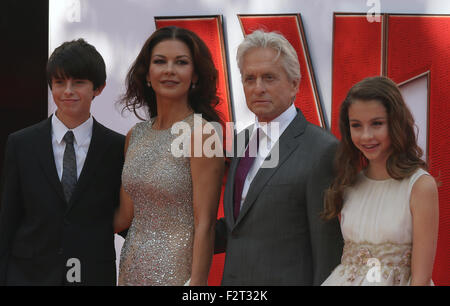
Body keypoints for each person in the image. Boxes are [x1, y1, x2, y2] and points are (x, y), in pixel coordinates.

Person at [214, 30, 343, 285]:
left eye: (269, 77)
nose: (258, 87)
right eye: (249, 79)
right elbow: (239, 226)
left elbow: (327, 250)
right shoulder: (241, 141)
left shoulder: (322, 149)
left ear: (294, 84)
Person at [0, 39, 125, 285]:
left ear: (98, 88)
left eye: (78, 82)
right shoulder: (21, 143)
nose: (68, 90)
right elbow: (8, 219)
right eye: (59, 82)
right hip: (28, 275)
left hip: (92, 275)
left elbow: (121, 216)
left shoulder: (117, 147)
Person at [115, 26, 224, 286]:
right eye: (160, 61)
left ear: (195, 75)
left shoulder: (203, 133)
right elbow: (124, 216)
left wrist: (196, 285)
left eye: (181, 63)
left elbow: (205, 223)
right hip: (130, 269)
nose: (169, 70)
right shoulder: (135, 134)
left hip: (177, 274)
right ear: (147, 75)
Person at [321, 76, 439, 286]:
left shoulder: (419, 186)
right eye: (356, 125)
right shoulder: (349, 185)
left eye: (377, 124)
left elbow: (421, 278)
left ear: (396, 123)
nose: (366, 136)